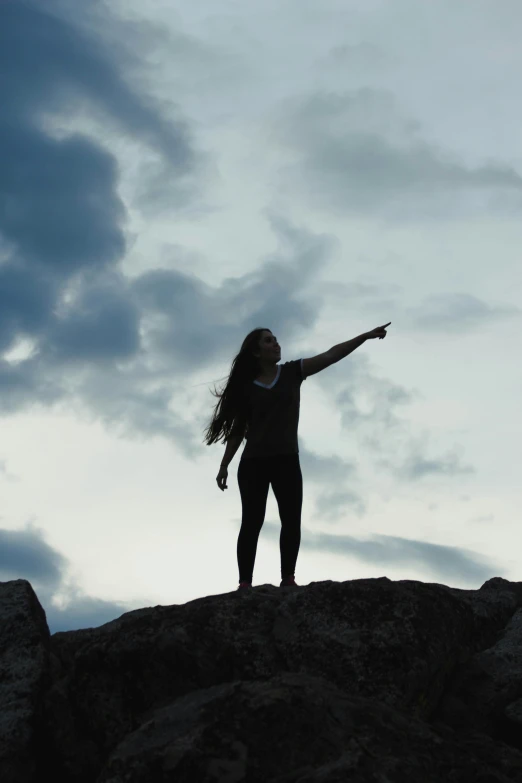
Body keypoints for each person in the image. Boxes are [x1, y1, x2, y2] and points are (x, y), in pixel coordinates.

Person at [203, 327, 304, 591]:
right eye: (269, 341)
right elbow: (237, 430)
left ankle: (288, 579)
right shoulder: (247, 388)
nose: (276, 344)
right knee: (252, 522)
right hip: (254, 465)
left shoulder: (293, 372)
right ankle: (245, 583)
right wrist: (224, 465)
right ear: (257, 351)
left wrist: (364, 337)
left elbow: (331, 355)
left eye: (276, 340)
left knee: (291, 520)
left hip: (286, 461)